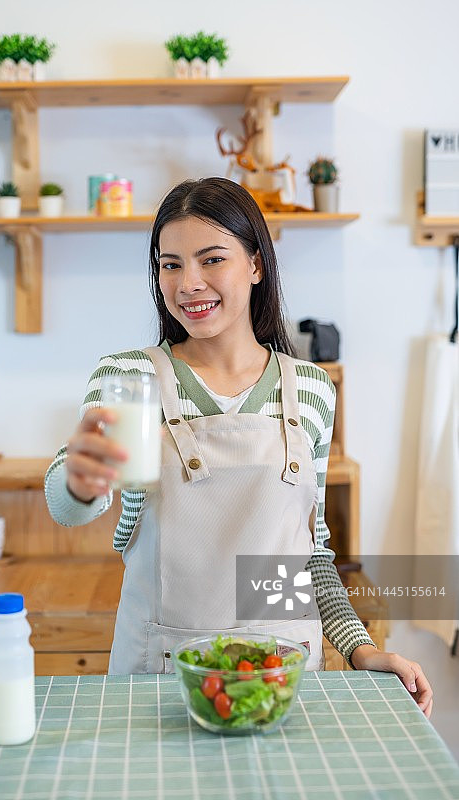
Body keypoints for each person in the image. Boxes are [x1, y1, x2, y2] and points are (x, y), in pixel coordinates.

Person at [45, 177, 433, 717]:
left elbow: (307, 555)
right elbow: (68, 507)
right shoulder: (131, 376)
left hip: (277, 678)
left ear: (255, 264)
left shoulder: (313, 391)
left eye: (211, 259)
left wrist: (360, 648)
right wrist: (79, 482)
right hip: (159, 676)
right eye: (170, 264)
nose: (188, 283)